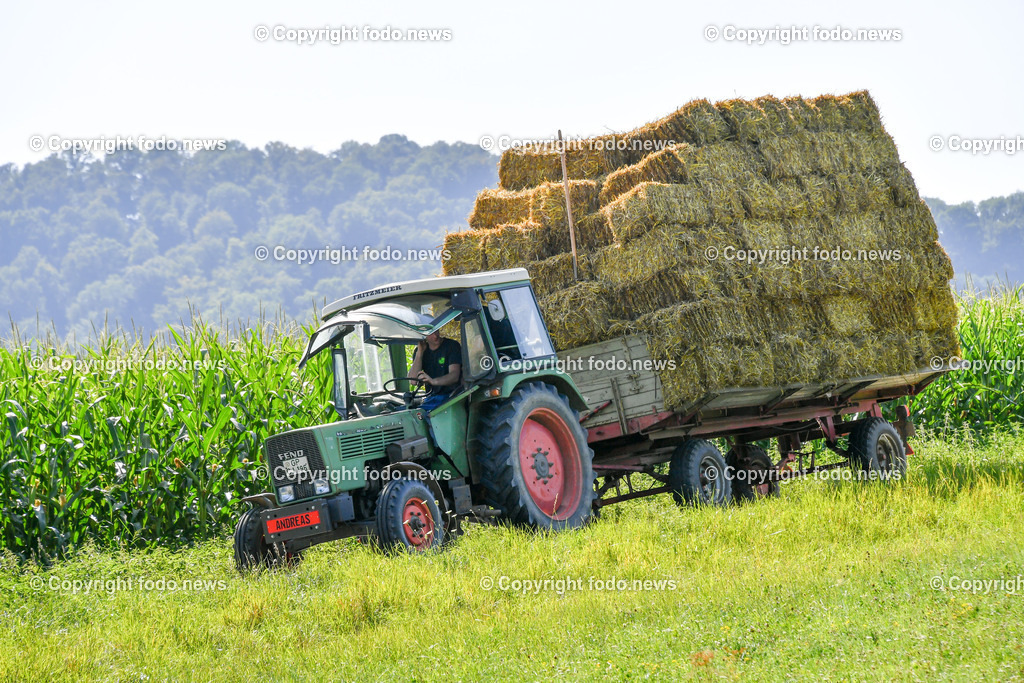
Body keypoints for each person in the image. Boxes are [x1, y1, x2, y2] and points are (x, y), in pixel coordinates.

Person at [408, 332, 462, 413]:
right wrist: (420, 353)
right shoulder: (420, 351)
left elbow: (454, 376)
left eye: (436, 331)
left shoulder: (451, 346)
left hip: (451, 397)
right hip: (430, 399)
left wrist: (433, 381)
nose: (435, 336)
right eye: (430, 333)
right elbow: (413, 381)